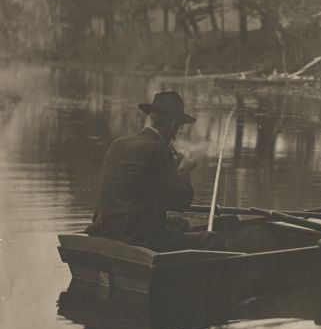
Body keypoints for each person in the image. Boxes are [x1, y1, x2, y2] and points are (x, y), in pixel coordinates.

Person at [86, 91, 226, 252]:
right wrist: (184, 170)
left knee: (180, 224)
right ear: (173, 123)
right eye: (179, 127)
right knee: (212, 240)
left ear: (152, 118)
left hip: (106, 229)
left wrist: (172, 168)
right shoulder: (159, 149)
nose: (177, 133)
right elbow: (180, 202)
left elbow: (141, 186)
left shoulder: (118, 144)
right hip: (137, 237)